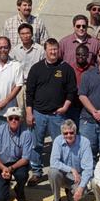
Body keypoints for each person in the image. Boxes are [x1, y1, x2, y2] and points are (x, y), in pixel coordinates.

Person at [24, 39, 76, 183]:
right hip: (38, 114)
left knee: (61, 144)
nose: (53, 52)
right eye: (50, 49)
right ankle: (36, 172)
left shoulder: (66, 68)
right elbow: (29, 93)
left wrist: (65, 107)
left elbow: (71, 91)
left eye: (55, 49)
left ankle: (62, 171)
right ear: (45, 50)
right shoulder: (36, 68)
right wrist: (29, 112)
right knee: (36, 145)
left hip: (57, 115)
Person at [0, 104, 34, 201]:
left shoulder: (26, 134)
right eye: (11, 118)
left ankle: (19, 190)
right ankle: (4, 186)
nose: (14, 120)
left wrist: (10, 169)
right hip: (1, 163)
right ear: (7, 119)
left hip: (17, 164)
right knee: (0, 199)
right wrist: (3, 168)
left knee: (22, 175)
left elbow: (25, 158)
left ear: (21, 120)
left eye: (16, 118)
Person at [48, 119, 94, 201]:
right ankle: (56, 200)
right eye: (65, 133)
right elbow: (53, 162)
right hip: (63, 174)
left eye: (71, 132)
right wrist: (71, 169)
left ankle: (70, 195)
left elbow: (88, 168)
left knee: (83, 192)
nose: (68, 135)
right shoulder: (58, 140)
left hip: (77, 177)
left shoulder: (85, 142)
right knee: (52, 172)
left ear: (75, 132)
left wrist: (80, 188)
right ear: (62, 134)